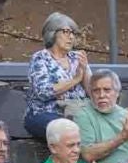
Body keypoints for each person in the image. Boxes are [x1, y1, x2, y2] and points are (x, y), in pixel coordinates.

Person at [23, 12, 91, 140]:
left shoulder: (76, 58)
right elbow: (43, 91)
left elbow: (92, 93)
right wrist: (75, 79)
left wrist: (85, 71)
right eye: (66, 32)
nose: (71, 37)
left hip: (77, 112)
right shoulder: (40, 58)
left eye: (73, 33)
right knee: (68, 129)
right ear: (52, 33)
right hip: (45, 113)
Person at [75, 70, 128, 163]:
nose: (101, 95)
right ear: (90, 94)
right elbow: (88, 155)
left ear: (117, 93)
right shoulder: (83, 115)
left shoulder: (126, 115)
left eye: (107, 90)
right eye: (96, 90)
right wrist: (123, 136)